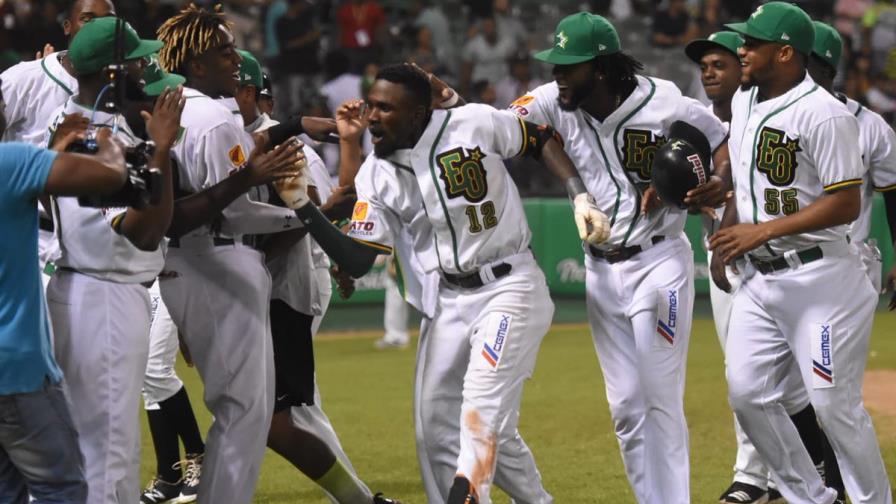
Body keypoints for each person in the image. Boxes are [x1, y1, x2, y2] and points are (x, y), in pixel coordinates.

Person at [279, 63, 609, 504]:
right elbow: (358, 261)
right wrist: (303, 206)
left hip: (509, 285)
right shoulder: (377, 172)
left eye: (386, 108)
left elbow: (540, 137)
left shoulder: (473, 122)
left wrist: (579, 195)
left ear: (419, 114)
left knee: (480, 408)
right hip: (448, 299)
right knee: (436, 428)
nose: (372, 117)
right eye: (372, 105)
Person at [513, 12, 729, 503]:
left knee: (658, 400)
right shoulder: (552, 100)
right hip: (600, 272)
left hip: (658, 262)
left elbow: (722, 141)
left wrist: (717, 181)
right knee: (626, 408)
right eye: (556, 64)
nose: (558, 74)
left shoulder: (664, 99)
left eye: (570, 65)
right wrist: (574, 191)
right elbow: (506, 128)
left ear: (604, 68)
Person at [710, 3, 892, 503]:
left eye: (752, 43)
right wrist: (718, 197)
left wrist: (759, 231)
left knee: (835, 408)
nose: (741, 49)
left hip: (821, 279)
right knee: (748, 395)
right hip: (760, 279)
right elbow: (742, 177)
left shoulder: (826, 114)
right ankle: (811, 497)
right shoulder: (745, 101)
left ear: (786, 53)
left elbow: (844, 202)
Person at [154, 5, 312, 503]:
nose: (234, 58)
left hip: (183, 265)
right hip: (217, 261)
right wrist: (304, 218)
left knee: (237, 409)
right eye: (223, 51)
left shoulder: (171, 106)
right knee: (244, 413)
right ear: (196, 64)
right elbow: (235, 215)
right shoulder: (214, 118)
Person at [235, 49, 399, 504]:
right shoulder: (235, 135)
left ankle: (355, 497)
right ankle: (353, 496)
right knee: (289, 405)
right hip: (270, 281)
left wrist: (333, 254)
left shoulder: (284, 144)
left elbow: (335, 201)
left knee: (282, 407)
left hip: (290, 281)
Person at [686, 30, 841, 504]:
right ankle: (757, 477)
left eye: (725, 62)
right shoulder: (707, 120)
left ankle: (801, 478)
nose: (711, 72)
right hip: (735, 253)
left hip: (792, 258)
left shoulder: (785, 113)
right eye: (705, 65)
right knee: (745, 375)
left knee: (800, 387)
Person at [43, 17, 185, 503]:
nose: (147, 70)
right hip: (101, 297)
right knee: (107, 454)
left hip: (89, 288)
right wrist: (162, 147)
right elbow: (145, 234)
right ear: (111, 72)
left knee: (96, 446)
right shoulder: (98, 140)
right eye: (138, 61)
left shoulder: (67, 122)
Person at [0, 97, 127, 504]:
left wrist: (49, 153)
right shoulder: (10, 162)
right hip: (14, 368)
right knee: (61, 488)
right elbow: (110, 176)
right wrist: (108, 140)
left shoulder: (14, 168)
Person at [808, 20, 896, 501]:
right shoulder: (773, 114)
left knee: (833, 392)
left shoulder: (869, 124)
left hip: (851, 263)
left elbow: (894, 192)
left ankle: (840, 484)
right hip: (792, 268)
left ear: (818, 65)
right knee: (766, 391)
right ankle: (818, 477)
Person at [0, 0, 116, 281]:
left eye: (107, 21)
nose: (97, 28)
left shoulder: (123, 88)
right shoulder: (26, 78)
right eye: (87, 19)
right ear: (68, 26)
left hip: (92, 241)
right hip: (29, 235)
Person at [134, 55, 205, 504]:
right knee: (147, 379)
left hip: (168, 267)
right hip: (132, 276)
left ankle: (198, 453)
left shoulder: (171, 147)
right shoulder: (126, 140)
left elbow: (184, 213)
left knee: (154, 370)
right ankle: (168, 475)